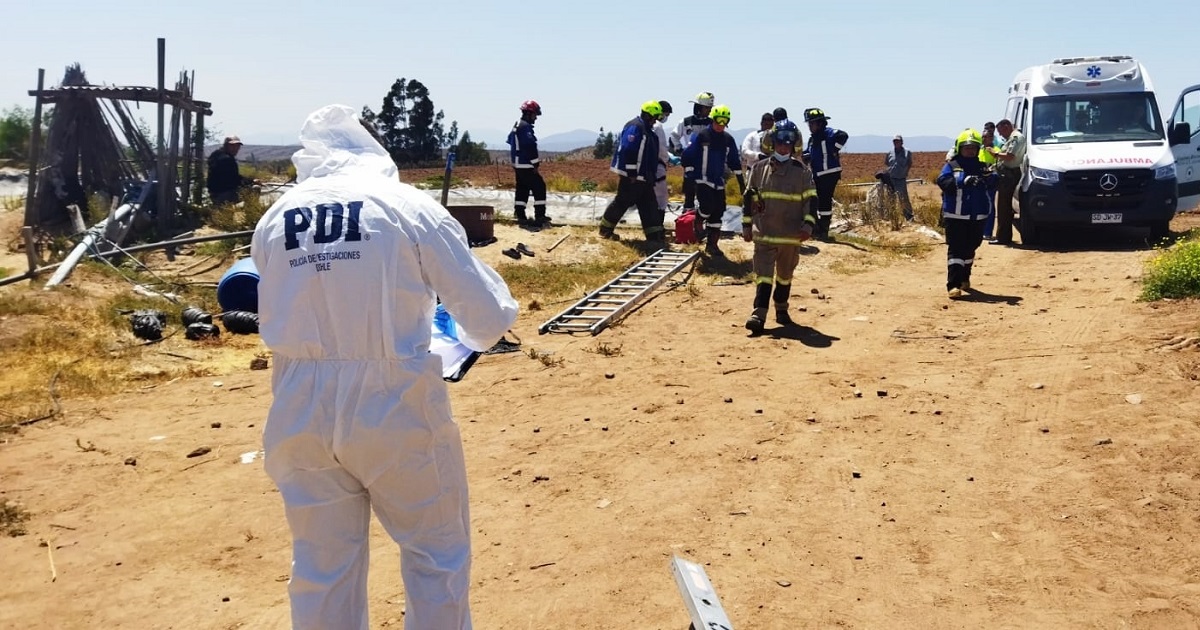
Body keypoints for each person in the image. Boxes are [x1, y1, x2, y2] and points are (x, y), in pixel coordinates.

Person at [251, 104, 519, 630]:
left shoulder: (274, 218)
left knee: (321, 564)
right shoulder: (405, 206)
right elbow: (487, 319)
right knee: (434, 552)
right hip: (393, 400)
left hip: (297, 403)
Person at [740, 121, 817, 333]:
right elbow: (749, 198)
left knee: (784, 276)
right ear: (772, 144)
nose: (784, 147)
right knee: (763, 276)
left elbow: (811, 200)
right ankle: (759, 314)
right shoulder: (758, 169)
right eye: (780, 143)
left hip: (790, 236)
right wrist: (746, 226)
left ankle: (782, 310)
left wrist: (808, 227)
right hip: (764, 234)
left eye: (788, 144)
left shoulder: (802, 172)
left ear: (794, 146)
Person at [937, 129, 997, 298]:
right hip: (955, 216)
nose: (970, 151)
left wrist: (990, 177)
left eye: (973, 148)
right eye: (966, 148)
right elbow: (943, 181)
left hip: (978, 216)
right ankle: (953, 285)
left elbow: (994, 185)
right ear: (959, 148)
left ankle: (965, 278)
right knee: (956, 249)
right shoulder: (952, 166)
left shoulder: (982, 167)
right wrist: (961, 181)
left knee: (971, 248)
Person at [681, 104, 745, 258]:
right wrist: (690, 174)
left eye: (724, 122)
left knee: (718, 211)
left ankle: (712, 244)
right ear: (713, 120)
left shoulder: (728, 139)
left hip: (718, 181)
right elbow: (687, 155)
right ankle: (698, 219)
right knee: (707, 206)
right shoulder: (702, 135)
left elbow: (735, 162)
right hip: (702, 179)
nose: (720, 125)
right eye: (718, 121)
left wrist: (742, 183)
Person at [599, 101, 666, 243]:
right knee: (623, 201)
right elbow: (628, 149)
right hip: (633, 176)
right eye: (654, 117)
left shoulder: (647, 129)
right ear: (648, 115)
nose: (656, 121)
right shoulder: (636, 127)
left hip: (644, 176)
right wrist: (631, 172)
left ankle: (654, 236)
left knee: (649, 204)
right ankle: (605, 229)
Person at [801, 108, 848, 240]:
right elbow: (808, 152)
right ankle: (817, 228)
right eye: (809, 124)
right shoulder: (812, 139)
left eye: (812, 124)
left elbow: (843, 135)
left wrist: (834, 149)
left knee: (824, 202)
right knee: (815, 200)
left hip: (829, 173)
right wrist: (805, 156)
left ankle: (824, 230)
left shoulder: (829, 133)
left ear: (820, 123)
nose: (810, 127)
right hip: (817, 174)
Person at [670, 91, 715, 218]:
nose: (709, 111)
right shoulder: (685, 122)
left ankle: (705, 219)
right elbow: (674, 136)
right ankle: (688, 217)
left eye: (710, 108)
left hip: (708, 163)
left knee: (706, 191)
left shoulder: (713, 123)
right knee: (690, 190)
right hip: (690, 162)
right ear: (699, 107)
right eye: (707, 108)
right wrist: (679, 149)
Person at [506, 100, 548, 227]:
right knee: (539, 187)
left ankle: (520, 215)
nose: (536, 118)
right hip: (526, 164)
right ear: (529, 113)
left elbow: (510, 141)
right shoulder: (525, 127)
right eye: (535, 115)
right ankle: (540, 216)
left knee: (522, 189)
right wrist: (535, 163)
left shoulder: (517, 125)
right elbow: (530, 146)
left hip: (518, 164)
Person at [990, 118, 1026, 245]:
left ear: (1006, 127)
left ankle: (1003, 238)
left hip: (1010, 174)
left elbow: (1010, 156)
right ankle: (1002, 236)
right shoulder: (1014, 137)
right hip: (1008, 174)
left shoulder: (1016, 137)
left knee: (1004, 207)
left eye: (1001, 131)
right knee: (1003, 206)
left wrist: (995, 154)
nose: (1000, 135)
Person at [206, 135, 259, 204]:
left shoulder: (215, 155)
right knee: (255, 188)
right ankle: (249, 212)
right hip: (223, 195)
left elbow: (232, 177)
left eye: (237, 146)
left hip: (214, 194)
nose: (235, 148)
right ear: (226, 146)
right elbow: (235, 179)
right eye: (232, 146)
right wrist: (252, 181)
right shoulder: (226, 159)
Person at [652, 100, 680, 217]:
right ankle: (658, 227)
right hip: (657, 168)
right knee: (661, 198)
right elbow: (661, 148)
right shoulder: (658, 127)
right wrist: (668, 158)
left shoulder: (645, 125)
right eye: (666, 115)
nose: (666, 117)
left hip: (645, 168)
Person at [884, 134, 914, 221]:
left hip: (901, 179)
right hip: (891, 179)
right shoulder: (889, 152)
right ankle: (891, 216)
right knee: (890, 198)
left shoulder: (907, 152)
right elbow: (887, 163)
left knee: (903, 198)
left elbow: (909, 163)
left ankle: (908, 216)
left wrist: (905, 172)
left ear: (902, 142)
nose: (896, 143)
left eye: (898, 141)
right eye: (894, 141)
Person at [978, 126, 999, 239]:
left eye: (986, 137)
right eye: (983, 137)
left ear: (991, 138)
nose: (984, 139)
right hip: (979, 180)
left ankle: (987, 232)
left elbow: (999, 163)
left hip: (990, 179)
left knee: (989, 205)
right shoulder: (979, 150)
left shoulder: (996, 150)